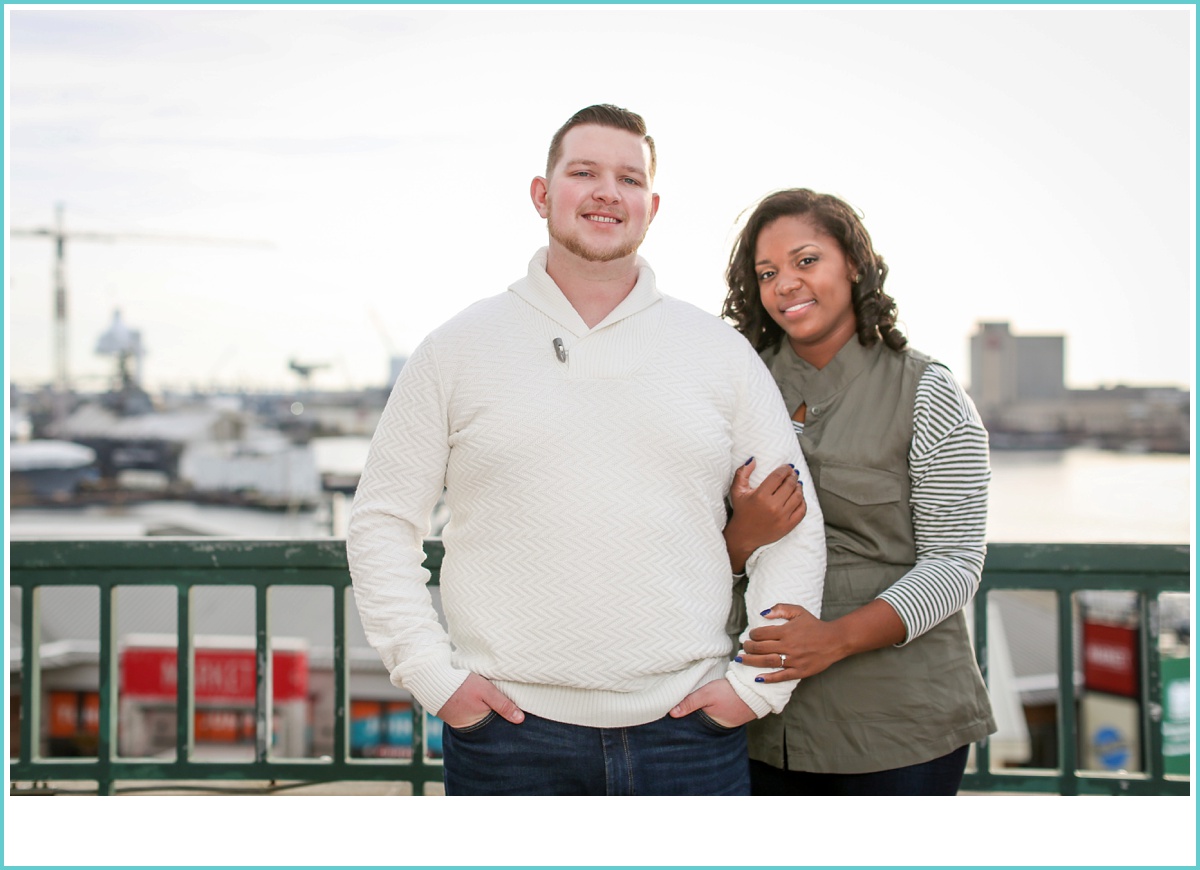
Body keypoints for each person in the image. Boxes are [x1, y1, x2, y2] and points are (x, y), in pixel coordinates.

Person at [346, 106, 826, 796]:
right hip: (508, 741)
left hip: (690, 737)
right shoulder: (456, 349)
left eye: (628, 178)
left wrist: (755, 689)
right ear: (543, 195)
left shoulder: (720, 354)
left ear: (651, 207)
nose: (607, 192)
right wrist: (433, 677)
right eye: (584, 173)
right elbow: (382, 522)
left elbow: (795, 527)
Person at [720, 188, 996, 796]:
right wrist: (740, 539)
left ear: (854, 263)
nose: (786, 283)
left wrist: (832, 639)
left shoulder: (929, 393)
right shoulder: (732, 388)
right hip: (753, 720)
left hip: (899, 726)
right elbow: (679, 541)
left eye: (806, 260)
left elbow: (955, 563)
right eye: (767, 273)